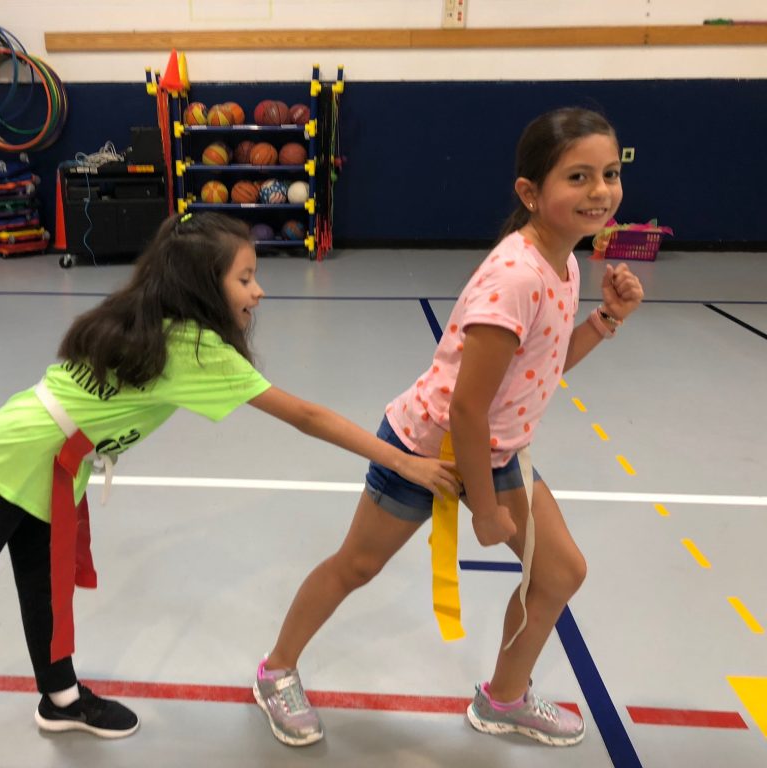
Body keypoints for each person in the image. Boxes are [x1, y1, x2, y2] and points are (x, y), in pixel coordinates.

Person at [0, 211, 459, 768]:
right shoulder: (194, 348)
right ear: (203, 283)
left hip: (52, 467)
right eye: (245, 278)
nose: (259, 291)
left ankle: (59, 697)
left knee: (45, 593)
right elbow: (303, 415)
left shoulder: (155, 315)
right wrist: (401, 463)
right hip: (7, 462)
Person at [253, 107, 645, 748]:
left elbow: (543, 366)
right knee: (356, 565)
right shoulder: (516, 277)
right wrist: (485, 511)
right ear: (530, 192)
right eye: (577, 177)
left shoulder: (565, 263)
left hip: (496, 449)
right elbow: (466, 408)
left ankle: (504, 700)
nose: (600, 190)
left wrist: (607, 319)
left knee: (559, 573)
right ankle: (276, 670)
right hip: (425, 446)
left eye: (608, 173)